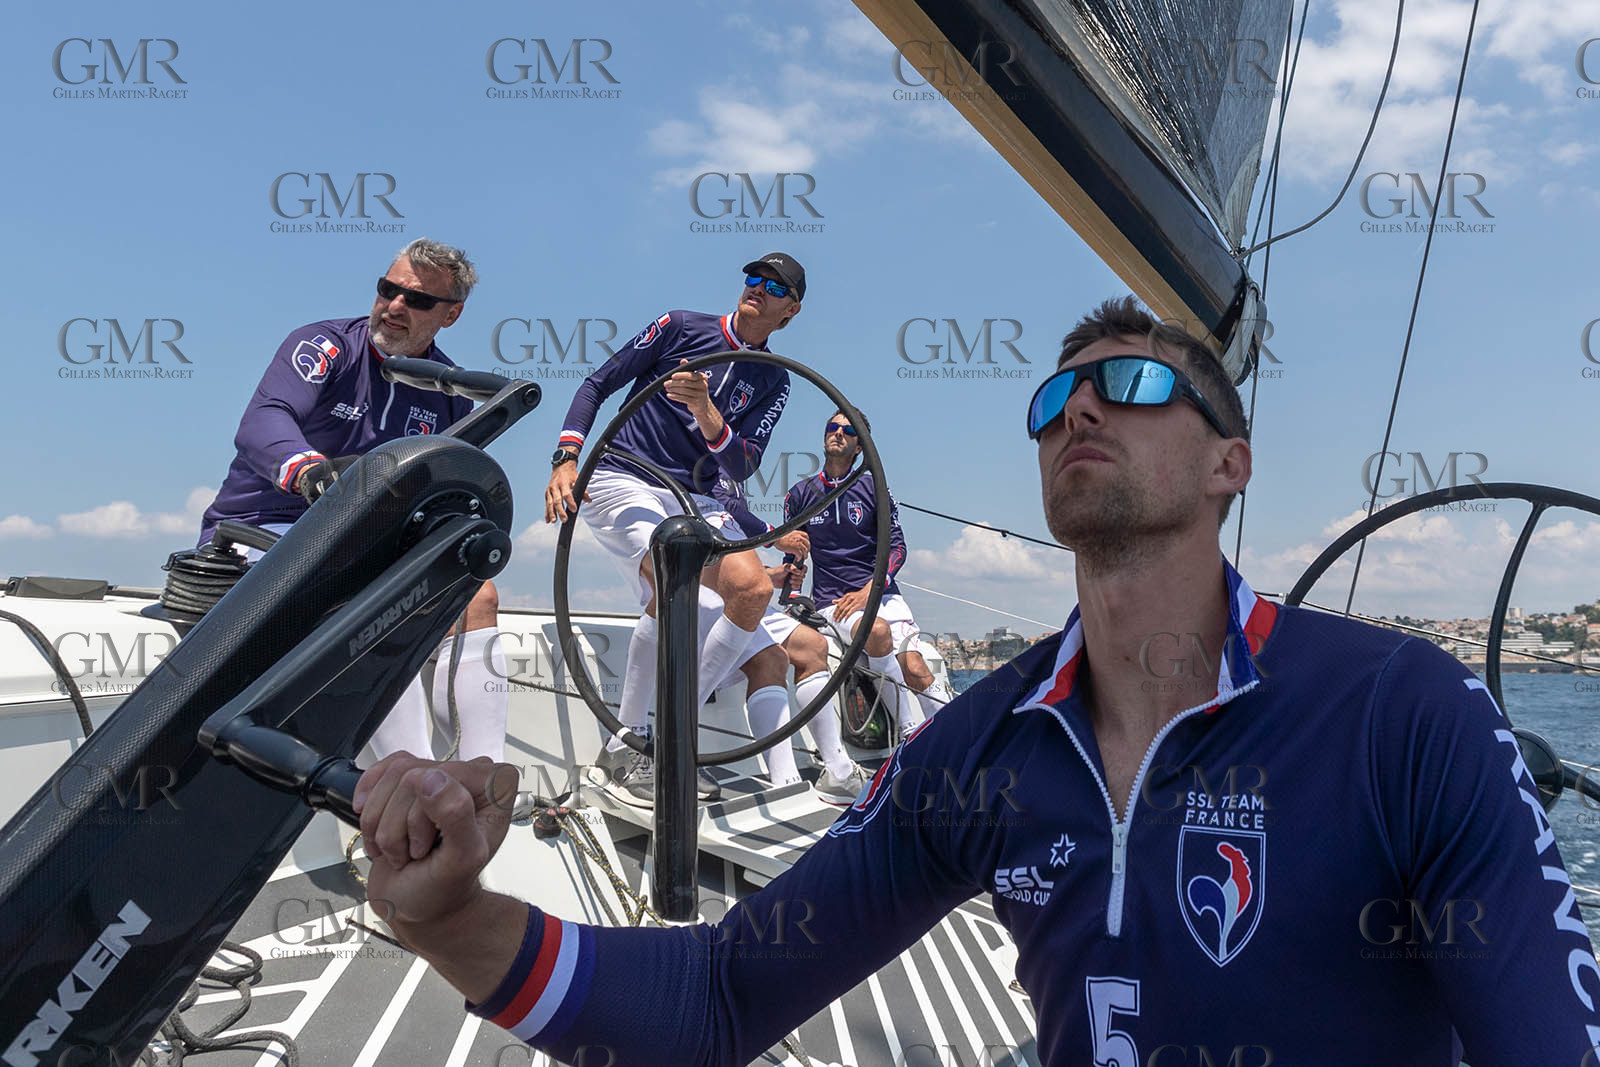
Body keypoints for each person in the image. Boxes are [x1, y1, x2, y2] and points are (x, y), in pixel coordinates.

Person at [354, 296, 1600, 1066]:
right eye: (1058, 394)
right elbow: (718, 996)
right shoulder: (983, 751)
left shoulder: (1402, 712)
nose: (1081, 410)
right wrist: (450, 917)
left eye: (1138, 383)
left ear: (1232, 462)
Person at [196, 239, 508, 765]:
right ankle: (407, 780)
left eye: (417, 300)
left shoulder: (449, 391)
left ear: (451, 315)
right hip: (264, 528)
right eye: (388, 290)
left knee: (478, 595)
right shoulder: (323, 347)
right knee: (373, 593)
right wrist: (312, 474)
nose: (394, 307)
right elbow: (263, 421)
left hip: (362, 543)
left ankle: (483, 774)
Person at [544, 253, 804, 802]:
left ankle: (669, 733)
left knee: (754, 588)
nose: (756, 288)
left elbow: (741, 467)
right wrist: (566, 457)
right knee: (673, 578)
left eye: (773, 286)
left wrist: (708, 411)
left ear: (790, 310)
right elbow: (598, 383)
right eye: (752, 278)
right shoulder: (681, 326)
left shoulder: (774, 378)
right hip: (624, 477)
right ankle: (626, 740)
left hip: (696, 498)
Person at [779, 409, 953, 739]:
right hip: (836, 601)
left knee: (915, 666)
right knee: (876, 631)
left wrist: (871, 590)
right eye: (833, 426)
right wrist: (790, 593)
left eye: (848, 430)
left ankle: (954, 739)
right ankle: (909, 733)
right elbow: (794, 555)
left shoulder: (874, 488)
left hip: (881, 594)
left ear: (860, 447)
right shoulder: (800, 495)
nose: (838, 433)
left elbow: (897, 547)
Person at [712, 475, 875, 806]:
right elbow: (721, 515)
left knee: (814, 645)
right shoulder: (701, 466)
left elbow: (730, 549)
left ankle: (838, 772)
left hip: (738, 592)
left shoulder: (730, 476)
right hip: (707, 600)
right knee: (771, 660)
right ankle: (785, 783)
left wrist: (771, 576)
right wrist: (777, 536)